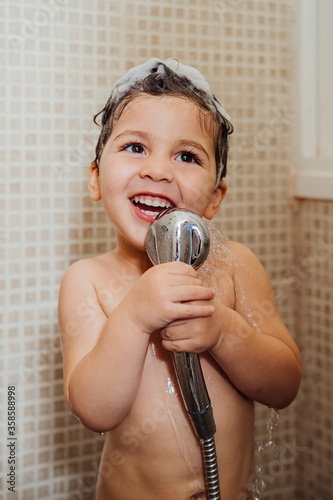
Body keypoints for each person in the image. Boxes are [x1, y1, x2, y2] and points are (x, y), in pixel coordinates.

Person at [58, 58, 302, 500]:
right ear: (96, 178)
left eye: (186, 156)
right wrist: (133, 317)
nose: (158, 171)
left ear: (214, 198)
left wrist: (224, 332)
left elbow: (284, 385)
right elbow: (94, 409)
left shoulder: (234, 266)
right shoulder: (89, 281)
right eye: (135, 147)